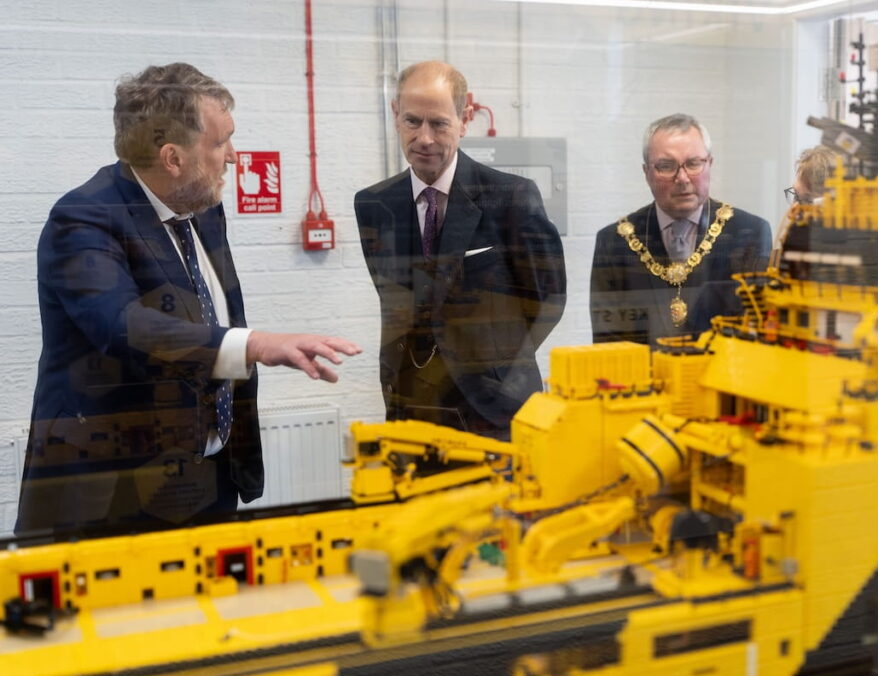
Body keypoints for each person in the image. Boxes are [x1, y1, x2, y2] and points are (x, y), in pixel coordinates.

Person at [17, 63, 361, 534]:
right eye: (219, 143)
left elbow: (206, 313)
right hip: (113, 498)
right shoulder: (84, 219)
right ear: (172, 158)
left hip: (205, 480)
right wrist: (256, 345)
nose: (234, 157)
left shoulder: (200, 207)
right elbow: (127, 329)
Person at [354, 61, 566, 441]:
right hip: (412, 408)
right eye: (412, 121)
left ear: (465, 118)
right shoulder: (373, 204)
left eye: (439, 123)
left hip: (495, 411)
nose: (424, 139)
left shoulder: (512, 197)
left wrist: (494, 364)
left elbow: (548, 297)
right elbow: (396, 300)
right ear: (395, 114)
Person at [590, 113, 771, 345]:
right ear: (646, 173)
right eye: (666, 166)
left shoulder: (748, 234)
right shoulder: (614, 242)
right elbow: (608, 342)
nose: (683, 178)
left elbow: (754, 333)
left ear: (710, 164)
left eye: (694, 163)